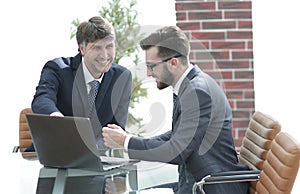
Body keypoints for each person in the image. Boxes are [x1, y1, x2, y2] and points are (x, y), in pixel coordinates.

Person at [102, 26, 249, 193]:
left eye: (152, 66)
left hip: (209, 187)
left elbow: (176, 152)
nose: (149, 73)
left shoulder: (197, 92)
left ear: (173, 63)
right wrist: (129, 141)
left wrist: (126, 142)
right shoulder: (189, 86)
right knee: (130, 189)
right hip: (194, 181)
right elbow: (176, 136)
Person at [27, 16, 132, 151]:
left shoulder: (122, 78)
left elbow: (115, 131)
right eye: (97, 48)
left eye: (109, 46)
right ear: (82, 49)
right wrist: (57, 119)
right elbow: (42, 100)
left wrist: (89, 150)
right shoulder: (58, 69)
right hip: (50, 155)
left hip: (96, 158)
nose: (104, 55)